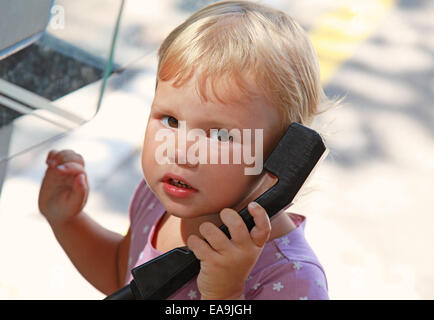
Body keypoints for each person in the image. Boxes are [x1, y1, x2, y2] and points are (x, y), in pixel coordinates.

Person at [38, 0, 335, 300]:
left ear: (283, 153)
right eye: (170, 120)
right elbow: (124, 277)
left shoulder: (292, 278)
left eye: (219, 135)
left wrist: (225, 296)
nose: (180, 152)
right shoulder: (162, 202)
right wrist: (67, 221)